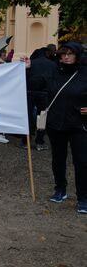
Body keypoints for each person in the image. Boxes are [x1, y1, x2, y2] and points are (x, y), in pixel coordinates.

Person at [42, 42, 87, 214]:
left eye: (70, 53)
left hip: (79, 124)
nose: (66, 56)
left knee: (82, 162)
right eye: (63, 53)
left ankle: (83, 197)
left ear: (77, 55)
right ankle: (60, 189)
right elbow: (37, 85)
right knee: (58, 159)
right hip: (56, 123)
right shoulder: (54, 71)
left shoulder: (84, 73)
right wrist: (27, 69)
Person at [18, 47, 57, 150]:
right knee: (42, 117)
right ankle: (40, 141)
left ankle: (26, 141)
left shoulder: (30, 62)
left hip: (29, 92)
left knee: (28, 116)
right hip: (45, 94)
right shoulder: (52, 64)